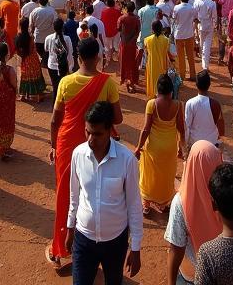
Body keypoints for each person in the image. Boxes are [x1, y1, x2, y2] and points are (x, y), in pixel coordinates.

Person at [47, 37, 121, 269]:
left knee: (65, 195)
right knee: (92, 193)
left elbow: (54, 120)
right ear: (98, 57)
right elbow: (117, 118)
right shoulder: (107, 83)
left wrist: (53, 146)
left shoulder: (66, 83)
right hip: (96, 144)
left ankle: (60, 249)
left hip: (67, 143)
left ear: (78, 58)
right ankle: (90, 244)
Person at [65, 99, 142, 285]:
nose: (91, 139)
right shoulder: (78, 154)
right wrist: (70, 228)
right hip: (84, 239)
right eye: (87, 132)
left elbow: (134, 204)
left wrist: (136, 247)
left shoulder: (127, 160)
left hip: (115, 243)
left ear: (110, 131)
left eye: (97, 134)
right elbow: (74, 195)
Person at [165, 141, 224, 285]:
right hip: (221, 270)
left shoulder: (181, 202)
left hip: (192, 275)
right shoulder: (225, 193)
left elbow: (176, 248)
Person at [135, 72, 185, 214]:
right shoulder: (178, 105)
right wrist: (182, 149)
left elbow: (146, 129)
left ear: (158, 90)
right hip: (170, 147)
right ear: (171, 91)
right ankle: (162, 204)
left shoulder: (152, 104)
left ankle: (146, 204)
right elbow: (181, 129)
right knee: (166, 175)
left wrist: (138, 148)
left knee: (149, 175)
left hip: (153, 148)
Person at [184, 69, 226, 151]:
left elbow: (187, 126)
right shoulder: (216, 104)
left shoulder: (190, 103)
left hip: (195, 145)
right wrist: (220, 141)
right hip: (212, 144)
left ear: (196, 84)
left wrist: (184, 146)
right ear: (209, 84)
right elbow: (221, 124)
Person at [15, 17, 46, 103]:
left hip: (25, 60)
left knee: (25, 78)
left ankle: (24, 95)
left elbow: (17, 51)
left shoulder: (18, 36)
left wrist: (22, 56)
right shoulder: (30, 36)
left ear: (20, 25)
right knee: (36, 76)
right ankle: (39, 95)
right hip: (32, 59)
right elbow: (31, 49)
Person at [143, 20, 174, 99]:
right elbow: (168, 53)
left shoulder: (147, 40)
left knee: (152, 83)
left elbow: (146, 53)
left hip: (151, 65)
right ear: (161, 29)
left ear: (152, 29)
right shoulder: (166, 40)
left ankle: (153, 97)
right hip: (162, 66)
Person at [117, 1, 141, 93]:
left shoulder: (121, 18)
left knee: (124, 62)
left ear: (126, 9)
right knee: (133, 63)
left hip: (124, 44)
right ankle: (132, 82)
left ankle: (125, 80)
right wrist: (132, 39)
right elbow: (138, 31)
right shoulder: (136, 19)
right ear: (134, 9)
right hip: (132, 44)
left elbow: (118, 28)